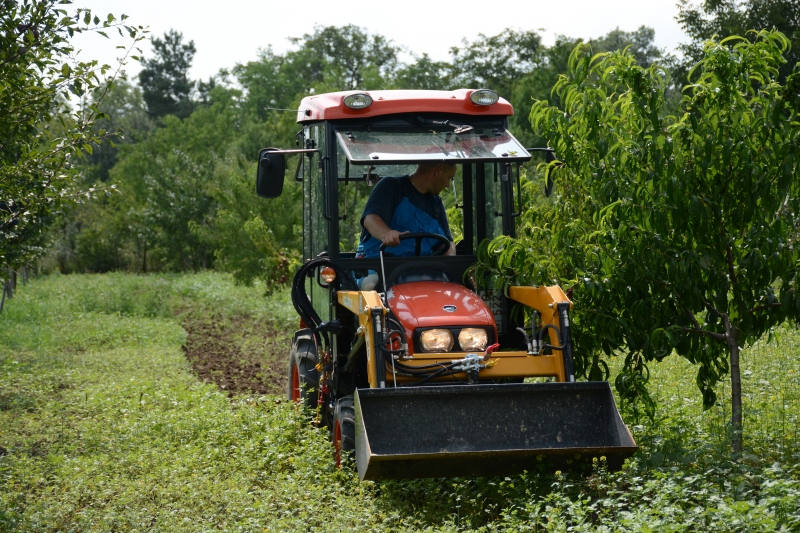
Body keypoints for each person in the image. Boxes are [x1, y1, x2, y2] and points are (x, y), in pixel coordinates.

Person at [355, 162, 457, 259]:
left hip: (420, 270)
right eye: (449, 178)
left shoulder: (436, 203)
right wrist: (386, 234)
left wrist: (449, 263)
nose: (448, 185)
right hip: (379, 265)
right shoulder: (392, 186)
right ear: (438, 171)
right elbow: (370, 219)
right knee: (372, 278)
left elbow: (447, 243)